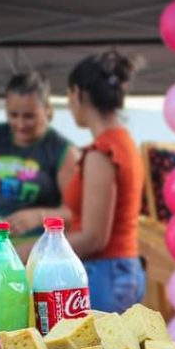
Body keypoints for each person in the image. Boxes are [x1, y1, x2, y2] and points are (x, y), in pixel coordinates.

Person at [61, 51, 146, 313]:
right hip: (120, 271)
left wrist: (38, 252)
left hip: (105, 275)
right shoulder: (123, 143)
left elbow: (94, 238)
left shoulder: (103, 151)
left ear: (77, 93)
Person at [0, 71, 78, 240]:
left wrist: (40, 216)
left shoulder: (63, 151)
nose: (20, 124)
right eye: (13, 115)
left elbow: (75, 211)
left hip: (35, 246)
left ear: (47, 109)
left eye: (29, 116)